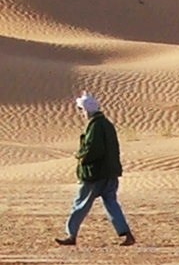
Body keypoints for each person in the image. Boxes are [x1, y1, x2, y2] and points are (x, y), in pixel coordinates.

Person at [56, 93, 133, 248]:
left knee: (81, 204)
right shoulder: (106, 124)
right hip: (109, 173)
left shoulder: (96, 126)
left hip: (95, 174)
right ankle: (126, 233)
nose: (82, 113)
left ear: (87, 110)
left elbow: (93, 149)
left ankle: (71, 235)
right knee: (111, 203)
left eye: (82, 110)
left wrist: (81, 156)